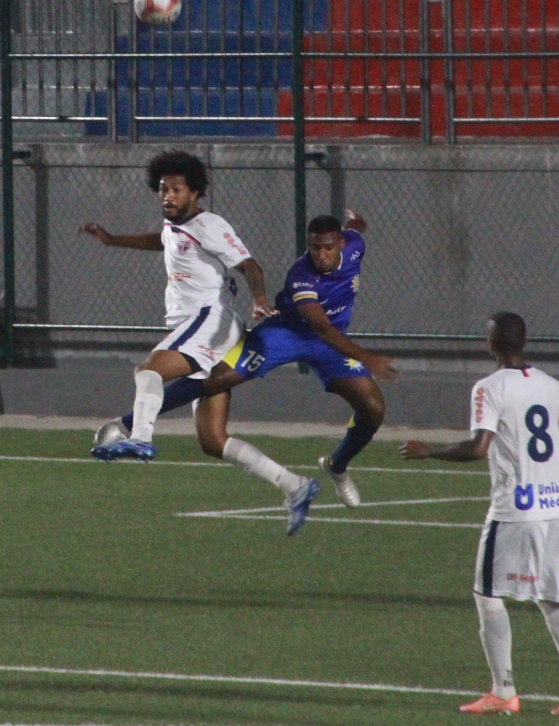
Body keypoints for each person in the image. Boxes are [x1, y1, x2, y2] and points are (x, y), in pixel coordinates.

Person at [84, 152, 321, 532]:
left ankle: (138, 437)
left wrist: (259, 299)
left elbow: (250, 265)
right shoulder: (175, 225)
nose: (168, 196)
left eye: (176, 189)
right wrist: (112, 240)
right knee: (213, 440)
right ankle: (295, 485)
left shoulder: (208, 223)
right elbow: (164, 240)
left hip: (210, 321)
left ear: (196, 192)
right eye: (163, 189)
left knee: (149, 371)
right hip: (206, 327)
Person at [99, 210, 394, 509]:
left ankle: (337, 466)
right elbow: (319, 326)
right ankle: (126, 425)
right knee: (217, 379)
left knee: (372, 410)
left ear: (342, 244)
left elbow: (355, 229)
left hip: (330, 344)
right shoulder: (302, 275)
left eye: (328, 247)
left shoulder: (355, 245)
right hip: (287, 334)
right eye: (314, 247)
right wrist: (366, 357)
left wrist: (357, 220)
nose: (320, 254)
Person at [400, 312, 559, 717]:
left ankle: (503, 690)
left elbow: (478, 447)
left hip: (514, 510)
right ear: (524, 341)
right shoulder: (552, 385)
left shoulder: (488, 387)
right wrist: (556, 485)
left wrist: (428, 450)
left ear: (490, 344)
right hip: (554, 510)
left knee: (487, 594)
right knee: (552, 597)